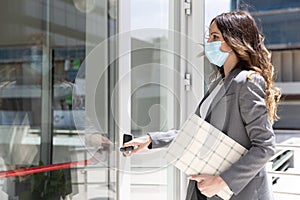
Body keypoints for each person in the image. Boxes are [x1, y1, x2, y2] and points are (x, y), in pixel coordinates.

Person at [122, 10, 281, 200]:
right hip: (207, 189)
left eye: (216, 37)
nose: (209, 43)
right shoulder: (219, 83)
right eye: (209, 36)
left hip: (239, 194)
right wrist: (151, 140)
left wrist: (223, 181)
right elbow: (197, 134)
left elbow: (265, 146)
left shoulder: (247, 82)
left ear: (235, 41)